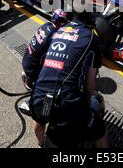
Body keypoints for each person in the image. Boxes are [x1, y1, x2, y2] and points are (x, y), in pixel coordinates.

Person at [29, 12, 109, 148]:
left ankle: (41, 143)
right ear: (91, 19)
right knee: (100, 131)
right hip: (67, 104)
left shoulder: (57, 30)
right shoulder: (92, 38)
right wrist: (87, 105)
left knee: (39, 120)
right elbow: (90, 86)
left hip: (39, 95)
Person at [22, 10, 70, 90]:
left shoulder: (46, 25)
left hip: (26, 57)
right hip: (32, 68)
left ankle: (29, 75)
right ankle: (31, 79)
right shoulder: (53, 36)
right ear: (62, 23)